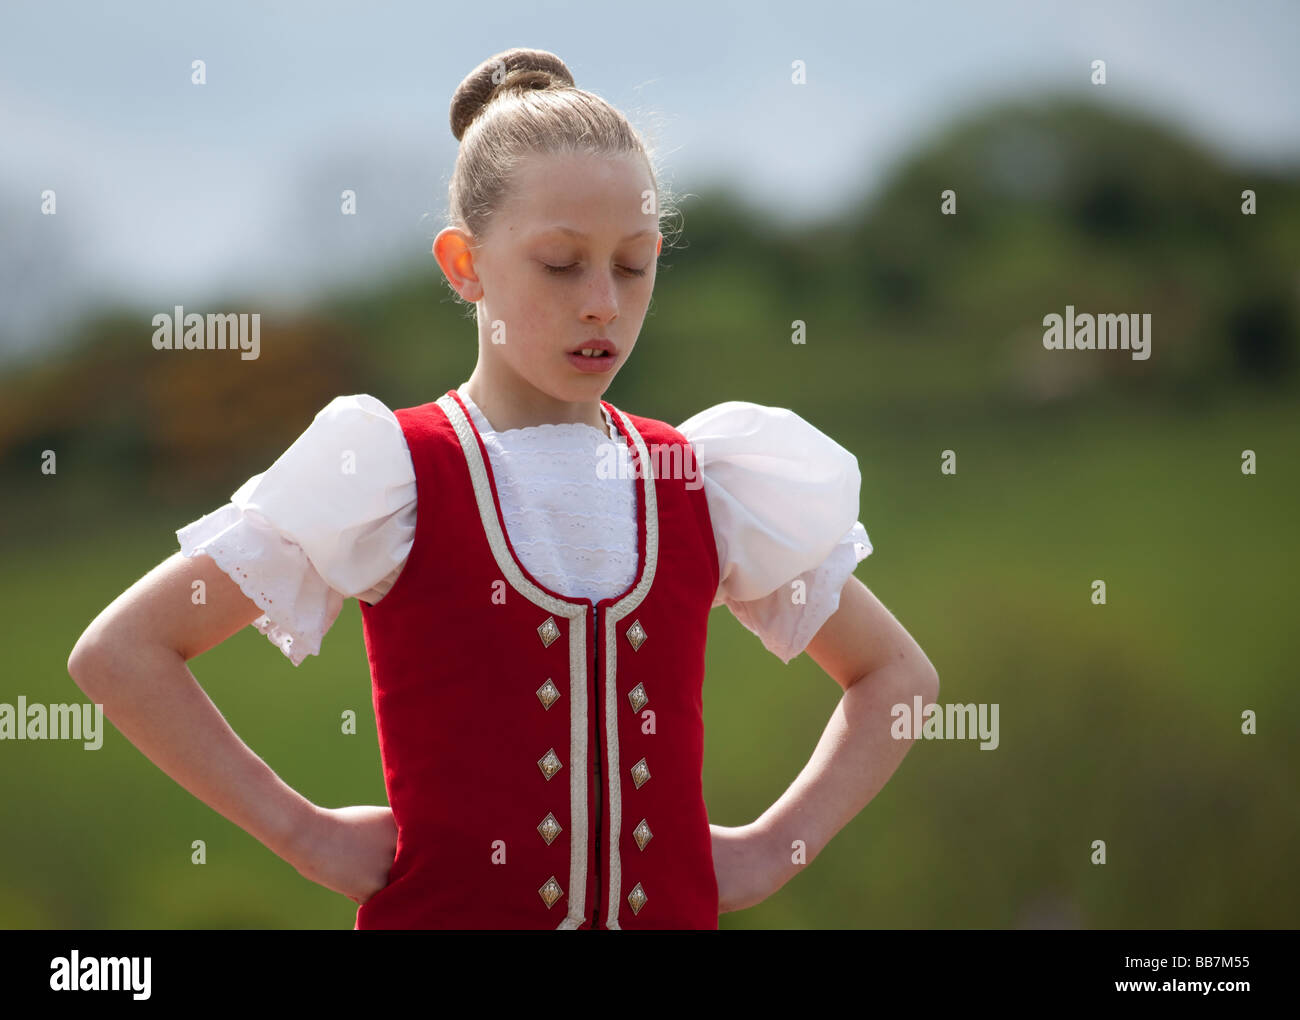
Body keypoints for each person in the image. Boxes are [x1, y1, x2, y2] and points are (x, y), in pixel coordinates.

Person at [67, 47, 939, 930]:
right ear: (465, 265)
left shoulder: (698, 481)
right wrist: (305, 834)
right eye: (561, 264)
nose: (602, 301)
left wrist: (770, 849)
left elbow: (896, 676)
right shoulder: (394, 471)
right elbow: (124, 654)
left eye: (633, 265)